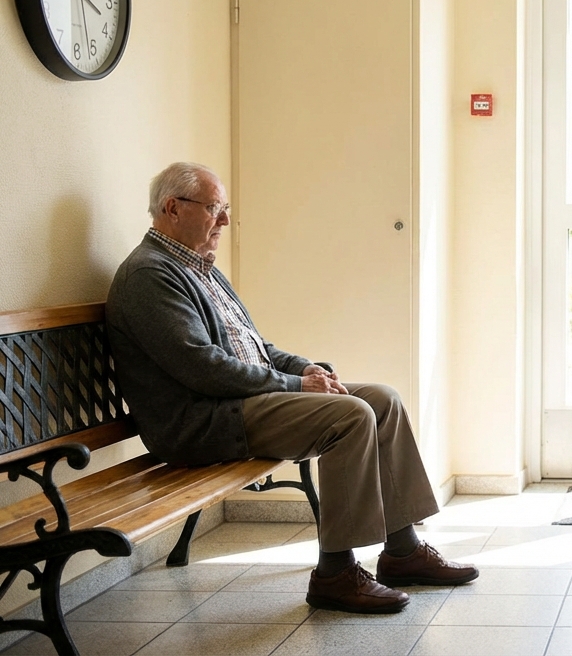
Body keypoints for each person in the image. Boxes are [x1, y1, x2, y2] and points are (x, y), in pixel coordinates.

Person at [106, 162, 478, 615]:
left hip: (240, 401)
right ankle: (335, 574)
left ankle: (403, 552)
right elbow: (202, 368)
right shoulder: (149, 275)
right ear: (172, 208)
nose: (224, 220)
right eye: (214, 208)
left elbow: (255, 348)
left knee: (380, 398)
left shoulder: (200, 269)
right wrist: (297, 385)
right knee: (351, 416)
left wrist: (307, 369)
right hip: (201, 419)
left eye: (225, 209)